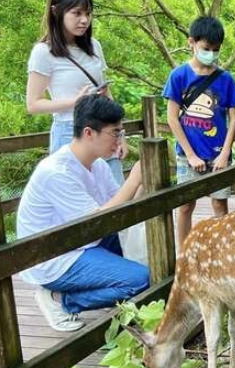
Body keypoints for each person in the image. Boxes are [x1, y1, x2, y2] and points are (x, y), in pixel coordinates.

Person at [18, 95, 150, 332]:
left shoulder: (97, 164)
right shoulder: (56, 172)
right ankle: (61, 300)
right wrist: (133, 179)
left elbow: (118, 208)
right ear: (89, 133)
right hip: (55, 257)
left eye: (121, 133)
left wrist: (142, 184)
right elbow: (97, 221)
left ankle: (107, 292)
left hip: (83, 241)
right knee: (140, 278)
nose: (120, 140)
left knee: (149, 254)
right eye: (115, 133)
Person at [26, 0, 126, 185]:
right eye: (77, 13)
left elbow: (106, 95)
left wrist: (119, 134)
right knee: (75, 204)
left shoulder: (94, 46)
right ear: (56, 12)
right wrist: (75, 102)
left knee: (114, 199)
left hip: (104, 129)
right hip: (69, 131)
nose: (84, 20)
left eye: (88, 14)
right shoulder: (43, 52)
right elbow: (34, 104)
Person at [163, 16, 235, 247]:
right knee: (186, 206)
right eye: (206, 48)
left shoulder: (225, 79)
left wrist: (225, 153)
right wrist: (190, 154)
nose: (211, 54)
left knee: (220, 205)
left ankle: (223, 253)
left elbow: (233, 117)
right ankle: (185, 253)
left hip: (217, 153)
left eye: (216, 50)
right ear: (192, 42)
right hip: (188, 153)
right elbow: (172, 118)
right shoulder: (179, 76)